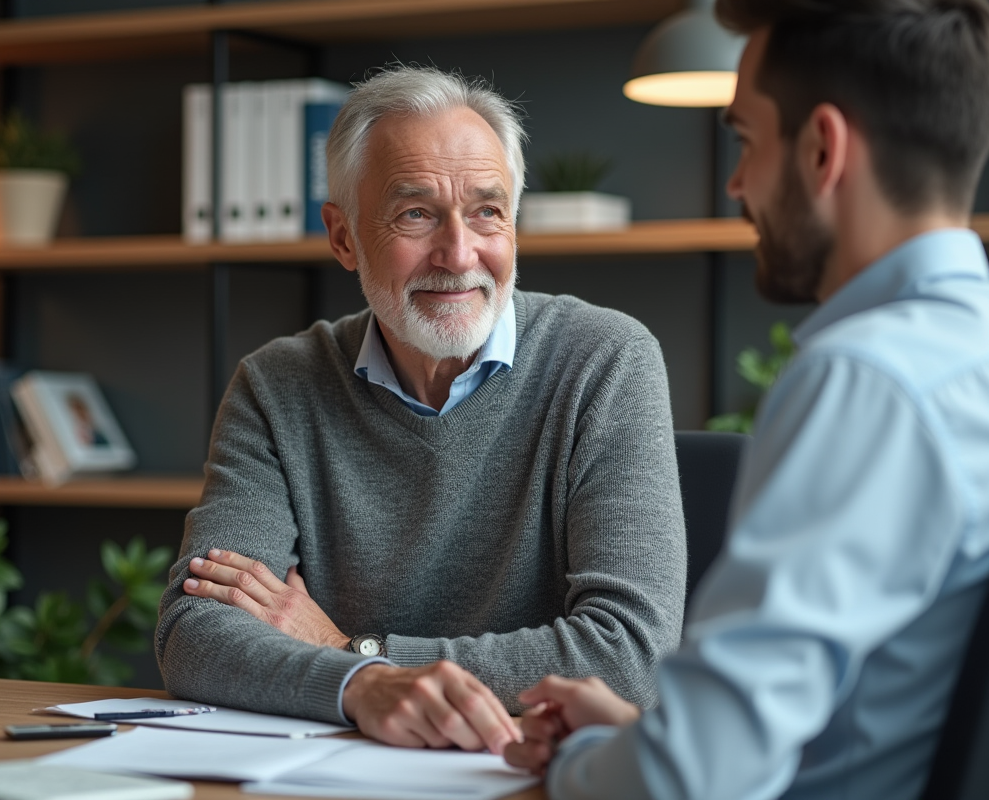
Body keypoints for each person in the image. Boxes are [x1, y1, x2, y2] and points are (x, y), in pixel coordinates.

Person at [504, 1, 989, 797]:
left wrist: (572, 764)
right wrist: (641, 736)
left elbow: (688, 779)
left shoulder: (863, 381)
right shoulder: (977, 352)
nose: (736, 183)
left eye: (745, 141)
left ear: (823, 150)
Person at [155, 66, 687, 755]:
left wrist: (359, 653)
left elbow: (628, 659)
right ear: (343, 238)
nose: (459, 253)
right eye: (416, 214)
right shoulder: (276, 384)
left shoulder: (606, 361)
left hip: (524, 774)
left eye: (487, 212)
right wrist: (361, 688)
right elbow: (195, 632)